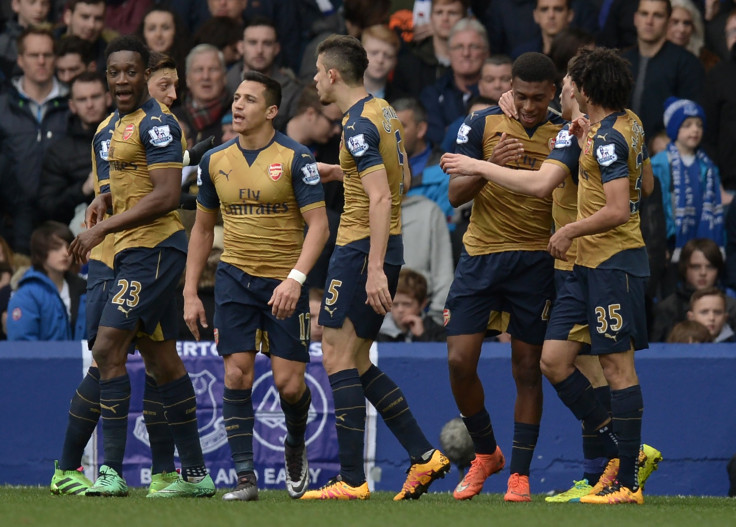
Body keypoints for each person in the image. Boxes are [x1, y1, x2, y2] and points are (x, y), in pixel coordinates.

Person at [441, 58, 661, 503]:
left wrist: (482, 167)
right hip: (552, 263)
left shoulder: (588, 133)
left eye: (557, 89)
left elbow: (549, 187)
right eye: (520, 96)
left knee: (602, 367)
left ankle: (613, 473)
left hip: (590, 259)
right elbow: (649, 185)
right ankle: (615, 459)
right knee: (556, 362)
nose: (531, 104)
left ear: (580, 91)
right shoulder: (619, 125)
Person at [49, 50, 215, 497]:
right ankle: (195, 477)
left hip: (155, 250)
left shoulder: (157, 124)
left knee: (106, 350)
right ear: (106, 78)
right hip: (125, 254)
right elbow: (113, 188)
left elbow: (163, 197)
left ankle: (109, 472)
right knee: (162, 360)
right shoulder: (106, 131)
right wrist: (102, 202)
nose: (122, 80)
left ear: (143, 76)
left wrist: (100, 226)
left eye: (131, 72)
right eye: (114, 73)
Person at [302, 34, 450, 501]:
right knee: (358, 360)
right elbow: (399, 177)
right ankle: (425, 455)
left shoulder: (357, 127)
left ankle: (351, 480)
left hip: (360, 248)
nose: (313, 81)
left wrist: (373, 268)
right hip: (377, 246)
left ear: (332, 74)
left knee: (336, 356)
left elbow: (383, 195)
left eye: (317, 71)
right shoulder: (382, 112)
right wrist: (338, 171)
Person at [183, 70, 329, 501]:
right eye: (236, 97)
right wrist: (190, 291)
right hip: (234, 280)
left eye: (249, 99)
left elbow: (318, 227)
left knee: (289, 385)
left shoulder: (296, 157)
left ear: (271, 111)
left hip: (285, 281)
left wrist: (295, 281)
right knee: (236, 375)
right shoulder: (214, 160)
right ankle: (245, 479)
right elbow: (202, 231)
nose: (237, 105)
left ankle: (295, 444)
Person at [442, 52, 563, 502]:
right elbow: (455, 195)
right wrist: (490, 164)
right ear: (509, 87)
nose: (529, 107)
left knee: (527, 369)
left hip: (536, 261)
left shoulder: (567, 133)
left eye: (538, 98)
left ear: (552, 92)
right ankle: (486, 451)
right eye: (522, 96)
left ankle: (521, 474)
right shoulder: (480, 124)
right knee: (459, 361)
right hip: (481, 256)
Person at [538, 47, 650, 505]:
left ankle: (627, 483)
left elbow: (619, 208)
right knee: (554, 359)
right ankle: (624, 456)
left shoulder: (608, 139)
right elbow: (640, 177)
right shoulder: (628, 124)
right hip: (590, 266)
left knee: (618, 369)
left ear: (585, 90)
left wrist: (569, 229)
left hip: (611, 261)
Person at [0, 25, 69, 255]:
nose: (41, 61)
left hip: (65, 222)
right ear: (20, 60)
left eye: (47, 55)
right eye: (34, 55)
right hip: (13, 225)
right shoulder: (2, 108)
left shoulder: (73, 105)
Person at [651, 98, 726, 277]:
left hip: (702, 243)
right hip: (670, 242)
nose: (695, 129)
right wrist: (660, 244)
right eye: (688, 124)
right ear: (674, 128)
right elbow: (656, 208)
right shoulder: (659, 164)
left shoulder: (707, 166)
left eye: (699, 125)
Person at [623, 0, 705, 140]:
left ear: (668, 21)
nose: (649, 21)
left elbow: (693, 114)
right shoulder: (622, 61)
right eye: (644, 14)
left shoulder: (687, 63)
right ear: (635, 18)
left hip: (667, 153)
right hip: (621, 149)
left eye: (657, 15)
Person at [39, 72, 110, 227]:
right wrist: (84, 189)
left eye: (95, 96)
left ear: (108, 98)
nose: (90, 104)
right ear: (72, 106)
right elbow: (48, 207)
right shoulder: (59, 152)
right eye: (82, 99)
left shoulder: (130, 135)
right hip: (82, 235)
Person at [6, 221, 86, 341]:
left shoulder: (84, 289)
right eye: (56, 247)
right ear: (40, 252)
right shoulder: (27, 294)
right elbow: (22, 348)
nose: (65, 253)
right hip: (43, 359)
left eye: (69, 246)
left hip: (83, 359)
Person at [224, 16, 303, 132]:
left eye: (267, 43)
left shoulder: (292, 91)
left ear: (276, 48)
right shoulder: (223, 84)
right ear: (241, 47)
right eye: (253, 42)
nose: (259, 50)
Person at [420, 17, 489, 147]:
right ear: (449, 53)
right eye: (459, 47)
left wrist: (451, 130)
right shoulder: (432, 95)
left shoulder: (497, 92)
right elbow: (437, 142)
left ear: (486, 53)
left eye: (473, 46)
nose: (466, 53)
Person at [651, 238, 736, 341]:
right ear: (684, 268)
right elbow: (656, 351)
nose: (703, 273)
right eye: (696, 267)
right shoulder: (667, 308)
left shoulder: (732, 308)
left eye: (710, 267)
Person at [392, 0, 468, 99]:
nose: (445, 18)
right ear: (431, 18)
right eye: (439, 12)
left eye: (452, 13)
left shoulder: (472, 62)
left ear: (464, 18)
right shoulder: (408, 64)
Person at [703, 9, 736, 191]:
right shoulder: (717, 76)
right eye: (732, 31)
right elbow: (708, 137)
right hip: (728, 184)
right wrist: (716, 184)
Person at [378, 268, 447, 342]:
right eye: (394, 304)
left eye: (407, 304)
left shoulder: (438, 332)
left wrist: (422, 336)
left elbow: (441, 352)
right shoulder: (378, 333)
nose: (400, 310)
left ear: (422, 304)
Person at [0, 0, 50, 77]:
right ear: (16, 4)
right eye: (32, 3)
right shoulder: (4, 43)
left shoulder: (55, 39)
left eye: (45, 4)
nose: (39, 9)